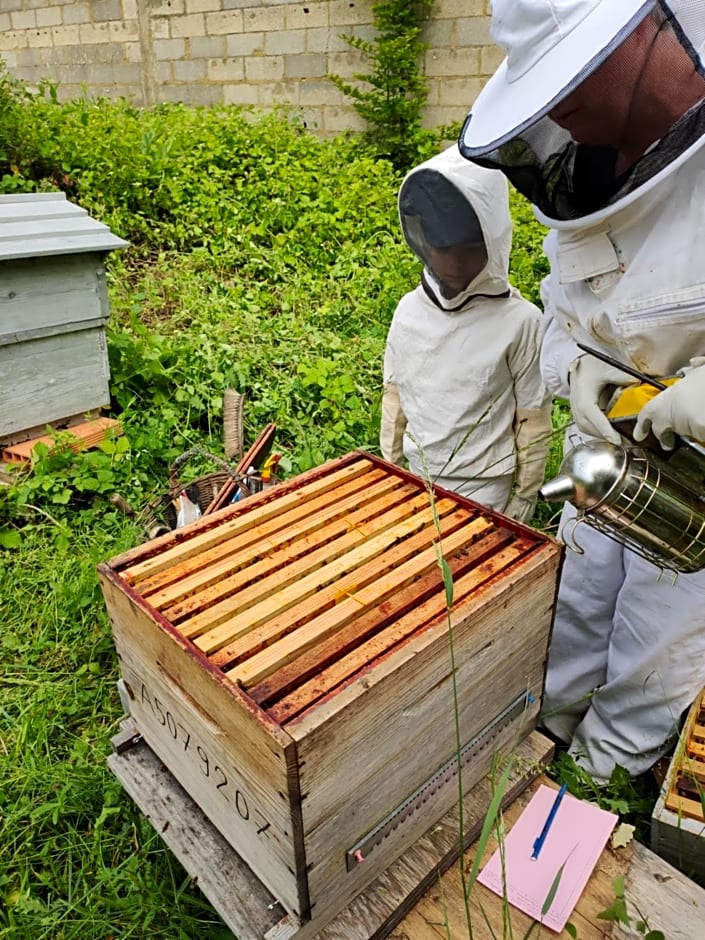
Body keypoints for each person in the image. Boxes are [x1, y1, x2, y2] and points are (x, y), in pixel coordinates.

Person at [458, 0, 705, 782]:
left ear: (637, 32)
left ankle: (600, 783)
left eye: (564, 78)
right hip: (602, 456)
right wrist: (576, 369)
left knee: (654, 641)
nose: (553, 110)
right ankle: (540, 745)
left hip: (697, 483)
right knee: (577, 599)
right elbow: (566, 305)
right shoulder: (585, 163)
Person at [380, 145, 552, 523]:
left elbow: (533, 419)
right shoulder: (408, 310)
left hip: (486, 490)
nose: (454, 263)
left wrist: (522, 501)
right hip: (416, 478)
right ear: (424, 241)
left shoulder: (521, 321)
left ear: (492, 243)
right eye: (443, 249)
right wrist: (390, 473)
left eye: (469, 250)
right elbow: (395, 402)